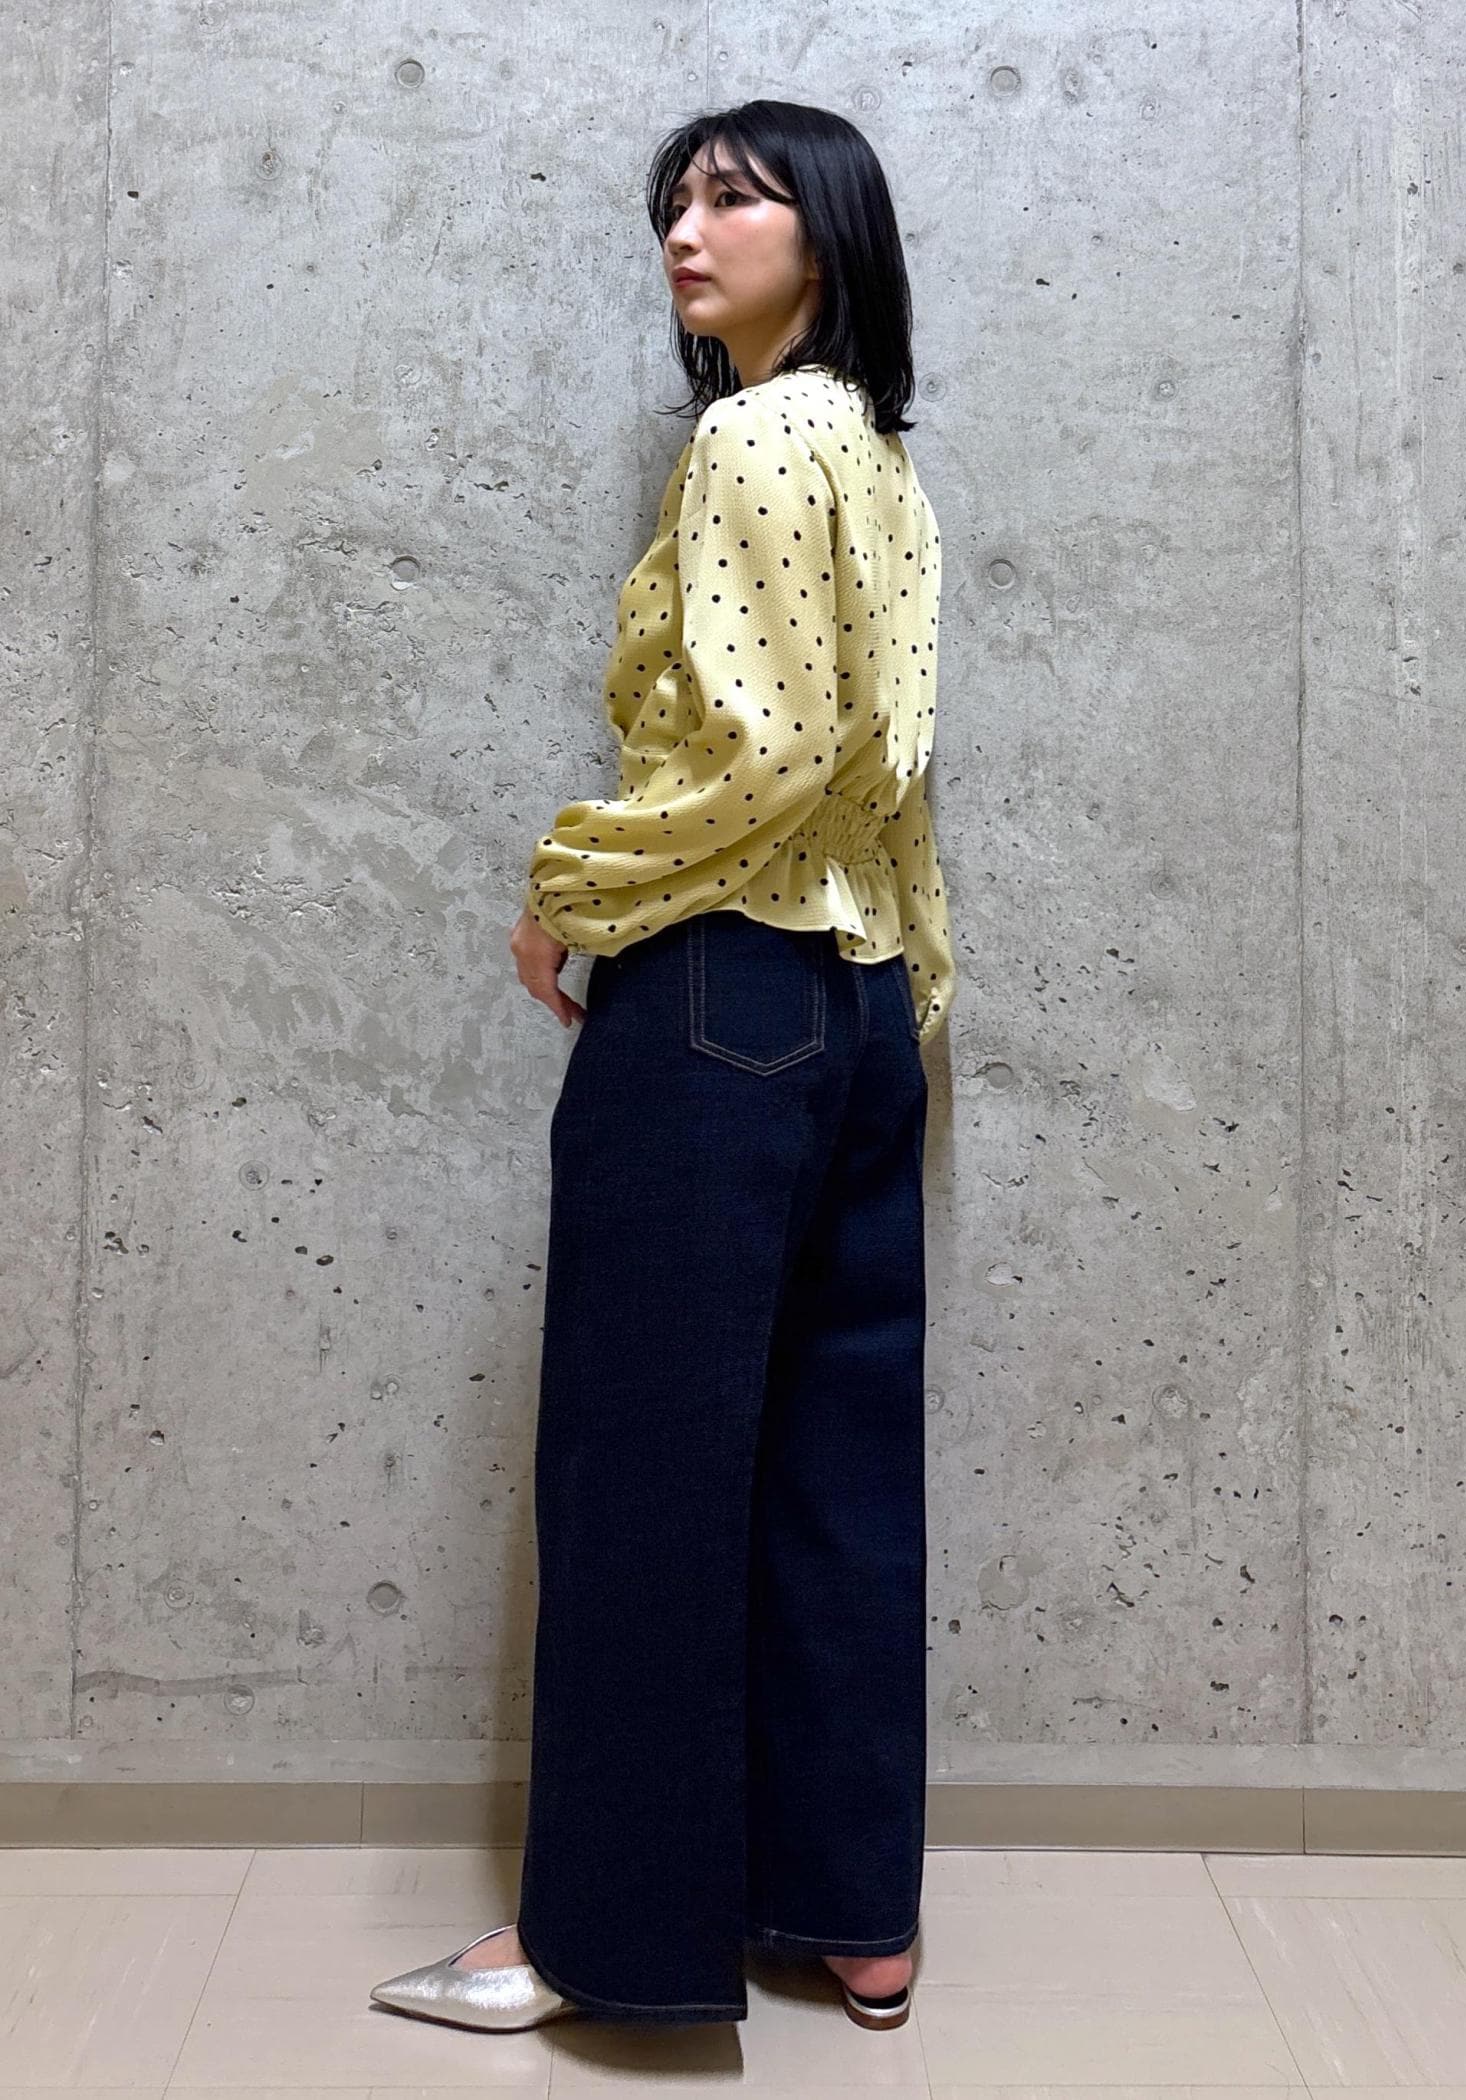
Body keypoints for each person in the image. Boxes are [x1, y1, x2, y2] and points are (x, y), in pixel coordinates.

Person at [369, 97, 954, 2039]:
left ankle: (605, 1943)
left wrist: (574, 889)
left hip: (716, 993)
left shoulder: (758, 438)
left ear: (827, 231)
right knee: (834, 1477)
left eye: (734, 198)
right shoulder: (879, 459)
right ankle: (853, 1917)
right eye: (674, 205)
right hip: (855, 1006)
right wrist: (904, 998)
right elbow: (885, 776)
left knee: (644, 1477)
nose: (686, 234)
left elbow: (764, 753)